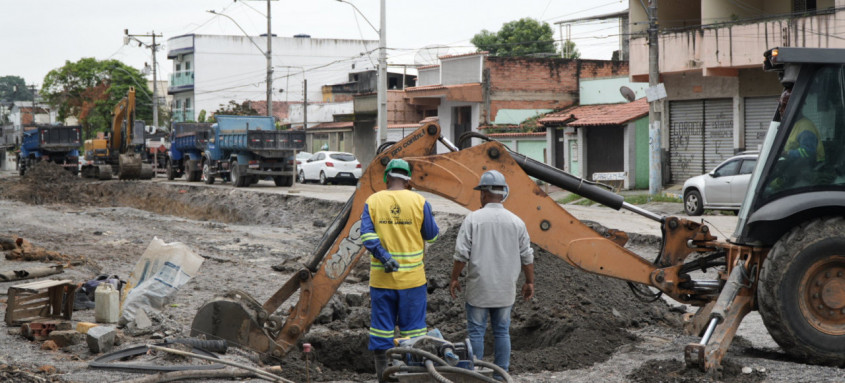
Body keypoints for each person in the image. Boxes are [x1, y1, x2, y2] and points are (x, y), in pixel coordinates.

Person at [360, 158, 439, 383]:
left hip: (382, 281)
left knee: (382, 332)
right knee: (413, 335)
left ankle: (384, 378)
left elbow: (366, 235)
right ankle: (410, 377)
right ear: (408, 180)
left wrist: (384, 256)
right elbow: (432, 235)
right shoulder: (419, 201)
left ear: (387, 177)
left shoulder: (373, 201)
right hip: (413, 282)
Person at [450, 170, 534, 378]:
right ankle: (501, 375)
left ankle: (476, 375)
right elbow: (527, 255)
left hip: (479, 288)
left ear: (484, 194)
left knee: (477, 332)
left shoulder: (473, 219)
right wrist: (529, 282)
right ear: (502, 193)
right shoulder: (516, 222)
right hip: (505, 289)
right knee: (502, 332)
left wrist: (454, 278)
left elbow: (461, 254)